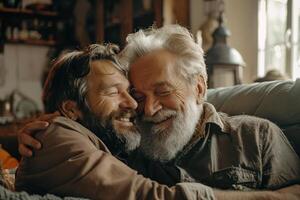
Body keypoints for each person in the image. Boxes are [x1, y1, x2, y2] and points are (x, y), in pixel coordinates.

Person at [18, 26, 300, 199]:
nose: (147, 108)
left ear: (199, 88)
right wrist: (53, 126)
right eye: (139, 96)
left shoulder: (257, 139)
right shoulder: (124, 143)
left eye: (163, 92)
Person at [15, 44, 215, 200]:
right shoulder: (54, 136)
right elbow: (154, 196)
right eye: (113, 92)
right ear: (70, 109)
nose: (133, 103)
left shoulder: (115, 141)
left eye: (129, 92)